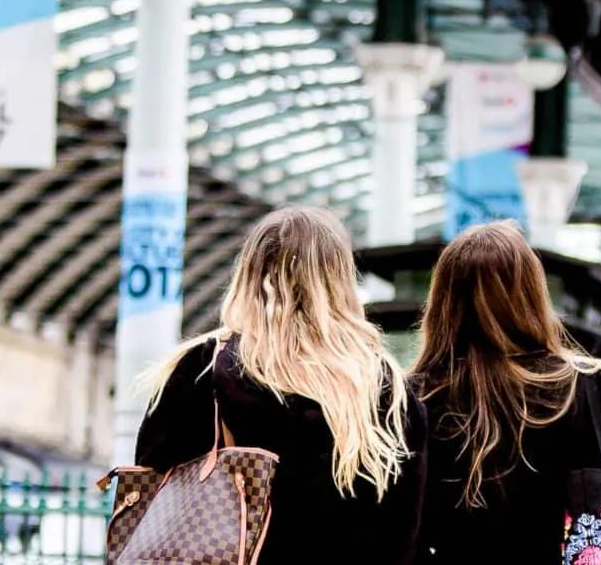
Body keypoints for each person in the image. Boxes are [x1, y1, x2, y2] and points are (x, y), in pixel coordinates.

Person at [134, 207, 429, 565]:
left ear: (248, 274)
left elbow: (150, 498)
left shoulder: (200, 371)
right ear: (339, 281)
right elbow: (401, 535)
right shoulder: (383, 389)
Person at [409, 222, 601, 565]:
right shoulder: (582, 385)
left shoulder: (418, 395)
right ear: (531, 294)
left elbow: (405, 522)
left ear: (443, 301)